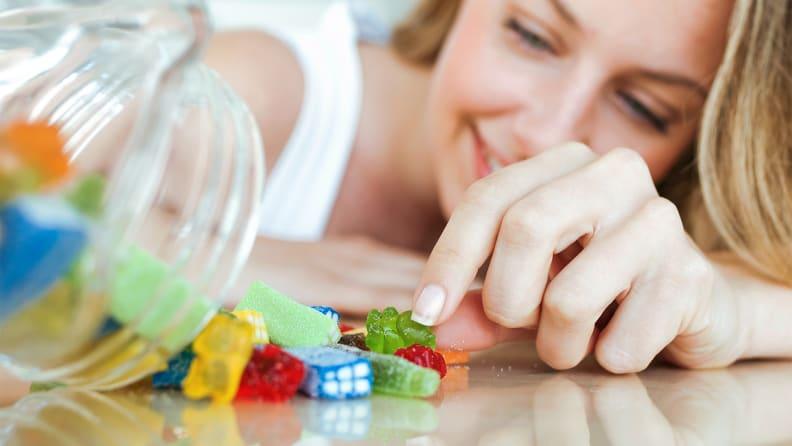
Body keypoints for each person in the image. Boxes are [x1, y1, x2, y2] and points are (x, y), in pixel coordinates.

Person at [206, 0, 792, 373]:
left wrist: (739, 310)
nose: (547, 133)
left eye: (644, 106)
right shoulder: (250, 96)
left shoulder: (665, 223)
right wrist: (213, 262)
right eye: (533, 37)